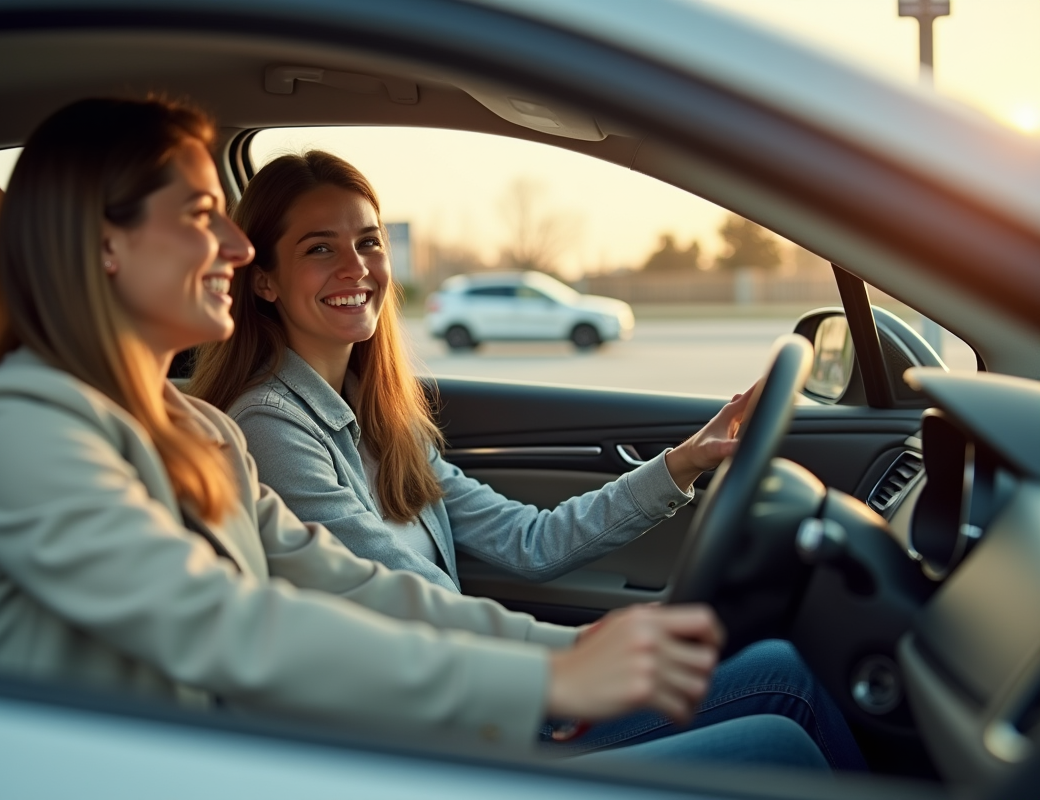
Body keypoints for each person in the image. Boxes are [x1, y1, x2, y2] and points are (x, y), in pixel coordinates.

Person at [0, 97, 828, 769]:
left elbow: (349, 582)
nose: (234, 250)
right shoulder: (19, 432)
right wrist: (543, 687)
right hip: (220, 767)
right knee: (779, 730)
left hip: (253, 759)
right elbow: (226, 626)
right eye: (203, 219)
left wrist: (567, 653)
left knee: (778, 695)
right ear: (102, 244)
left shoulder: (188, 427)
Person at [189, 150, 865, 769]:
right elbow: (395, 597)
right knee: (784, 721)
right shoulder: (269, 425)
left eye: (368, 241)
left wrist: (684, 462)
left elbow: (529, 541)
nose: (356, 267)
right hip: (429, 733)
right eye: (319, 249)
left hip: (475, 692)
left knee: (781, 664)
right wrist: (564, 663)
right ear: (265, 283)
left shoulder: (379, 414)